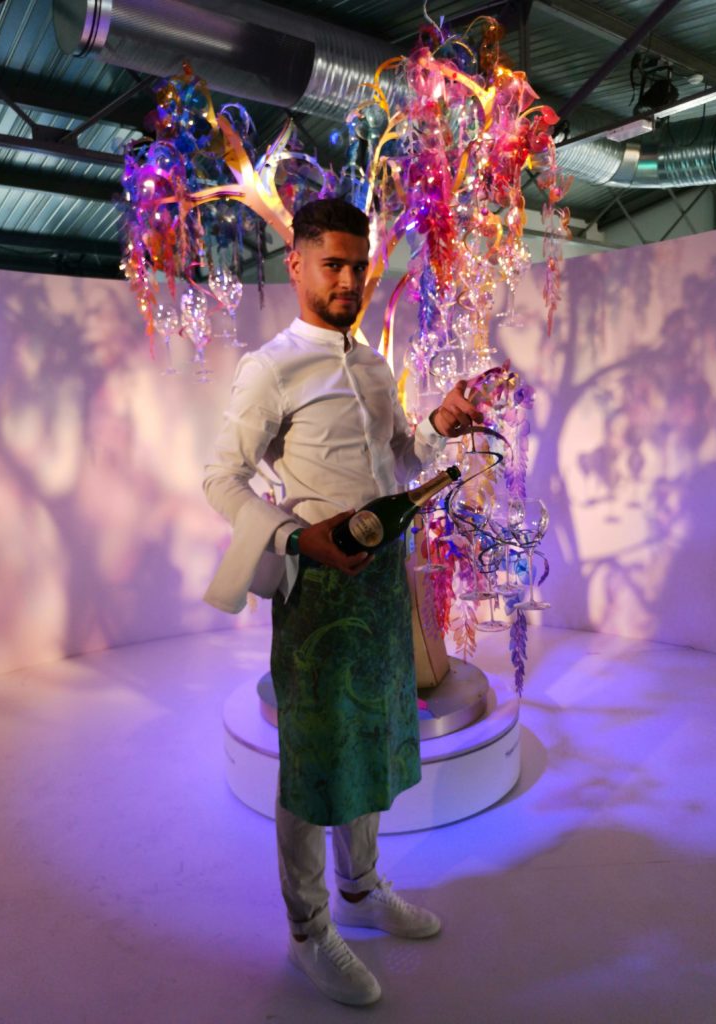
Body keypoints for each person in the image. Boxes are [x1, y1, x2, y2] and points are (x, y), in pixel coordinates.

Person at [203, 198, 477, 1006]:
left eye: (359, 266)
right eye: (333, 265)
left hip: (383, 585)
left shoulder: (373, 367)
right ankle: (307, 931)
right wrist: (295, 537)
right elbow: (220, 478)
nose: (350, 281)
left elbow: (400, 460)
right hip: (317, 590)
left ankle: (360, 891)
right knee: (313, 763)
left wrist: (439, 422)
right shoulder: (270, 368)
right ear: (296, 265)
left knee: (369, 743)